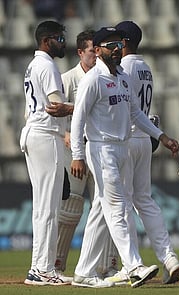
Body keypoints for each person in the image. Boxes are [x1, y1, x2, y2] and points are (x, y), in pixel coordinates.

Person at [69, 26, 179, 288]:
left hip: (123, 147)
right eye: (110, 45)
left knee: (100, 209)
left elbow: (136, 114)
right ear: (97, 51)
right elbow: (78, 119)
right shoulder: (93, 79)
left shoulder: (123, 77)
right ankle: (134, 266)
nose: (116, 49)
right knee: (118, 207)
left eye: (118, 43)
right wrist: (77, 155)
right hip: (101, 148)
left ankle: (84, 272)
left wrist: (161, 136)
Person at [101, 20, 179, 285]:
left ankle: (131, 265)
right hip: (145, 140)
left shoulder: (124, 68)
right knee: (145, 201)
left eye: (116, 41)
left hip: (126, 140)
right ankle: (169, 258)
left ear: (123, 43)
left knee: (123, 205)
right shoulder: (145, 67)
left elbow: (124, 106)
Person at [54, 29, 120, 282]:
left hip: (102, 150)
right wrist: (65, 135)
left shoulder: (108, 77)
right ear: (81, 52)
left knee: (109, 206)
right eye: (92, 51)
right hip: (76, 153)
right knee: (71, 208)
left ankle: (108, 266)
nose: (96, 55)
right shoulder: (68, 78)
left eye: (98, 50)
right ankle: (57, 265)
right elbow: (43, 114)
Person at [21, 20, 71, 286]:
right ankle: (44, 270)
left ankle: (37, 268)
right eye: (59, 38)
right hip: (45, 134)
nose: (63, 42)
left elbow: (30, 110)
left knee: (42, 207)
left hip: (34, 133)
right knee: (49, 208)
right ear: (45, 40)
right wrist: (84, 105)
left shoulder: (33, 65)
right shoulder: (48, 65)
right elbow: (56, 106)